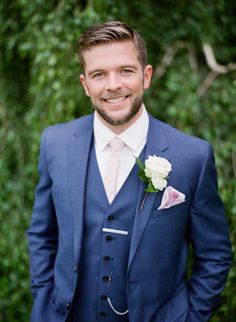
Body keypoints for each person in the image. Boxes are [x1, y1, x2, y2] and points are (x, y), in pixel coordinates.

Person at [27, 21, 232, 322]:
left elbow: (215, 253)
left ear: (145, 76)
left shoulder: (192, 156)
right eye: (99, 74)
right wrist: (45, 295)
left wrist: (190, 316)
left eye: (125, 70)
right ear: (85, 84)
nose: (113, 85)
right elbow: (42, 234)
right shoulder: (55, 143)